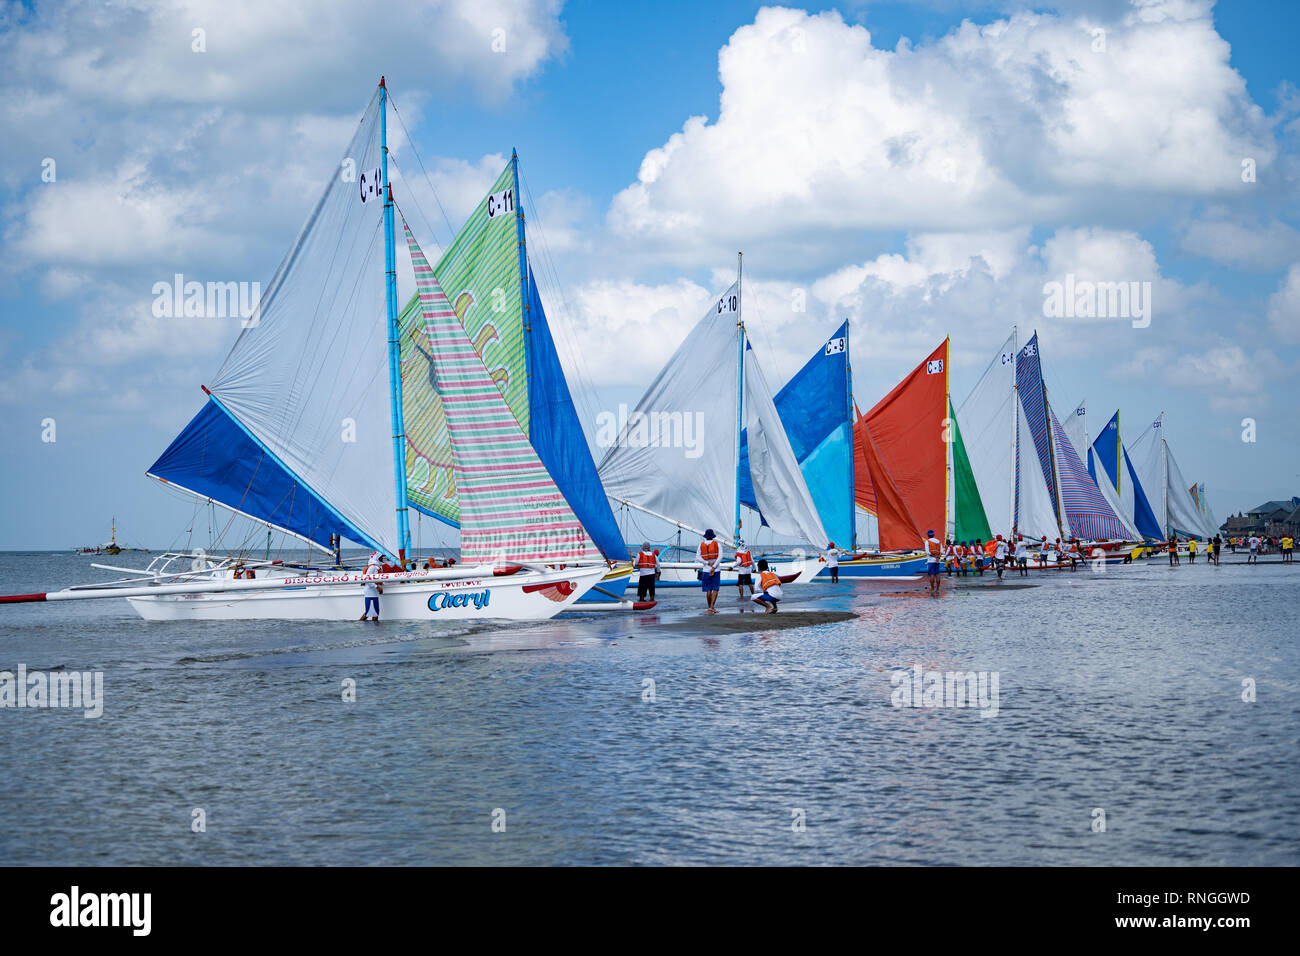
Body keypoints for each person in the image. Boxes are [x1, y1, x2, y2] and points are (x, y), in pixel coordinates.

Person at [698, 529, 723, 614]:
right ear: (713, 536)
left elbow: (698, 557)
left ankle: (710, 608)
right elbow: (720, 557)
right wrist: (714, 567)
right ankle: (712, 607)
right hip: (716, 570)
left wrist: (707, 563)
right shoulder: (717, 544)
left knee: (708, 590)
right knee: (715, 589)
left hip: (706, 570)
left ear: (705, 536)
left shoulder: (701, 545)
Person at [360, 551, 383, 622]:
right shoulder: (372, 567)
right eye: (381, 557)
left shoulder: (377, 567)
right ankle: (360, 625)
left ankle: (373, 630)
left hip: (374, 592)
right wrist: (377, 587)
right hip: (370, 592)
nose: (382, 559)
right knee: (370, 613)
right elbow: (367, 579)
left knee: (375, 613)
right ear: (377, 558)